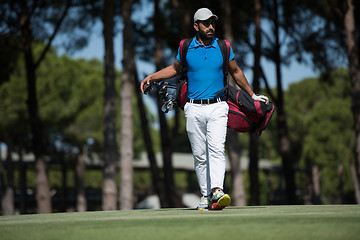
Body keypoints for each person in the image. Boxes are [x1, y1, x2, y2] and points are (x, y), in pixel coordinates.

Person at [140, 8, 268, 210]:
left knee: (216, 149)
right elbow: (174, 69)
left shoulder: (223, 46)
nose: (210, 27)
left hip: (218, 106)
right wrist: (151, 77)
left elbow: (236, 71)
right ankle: (205, 195)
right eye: (206, 23)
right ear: (195, 26)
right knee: (200, 155)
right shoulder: (185, 47)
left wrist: (252, 95)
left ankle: (217, 190)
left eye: (212, 23)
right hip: (193, 109)